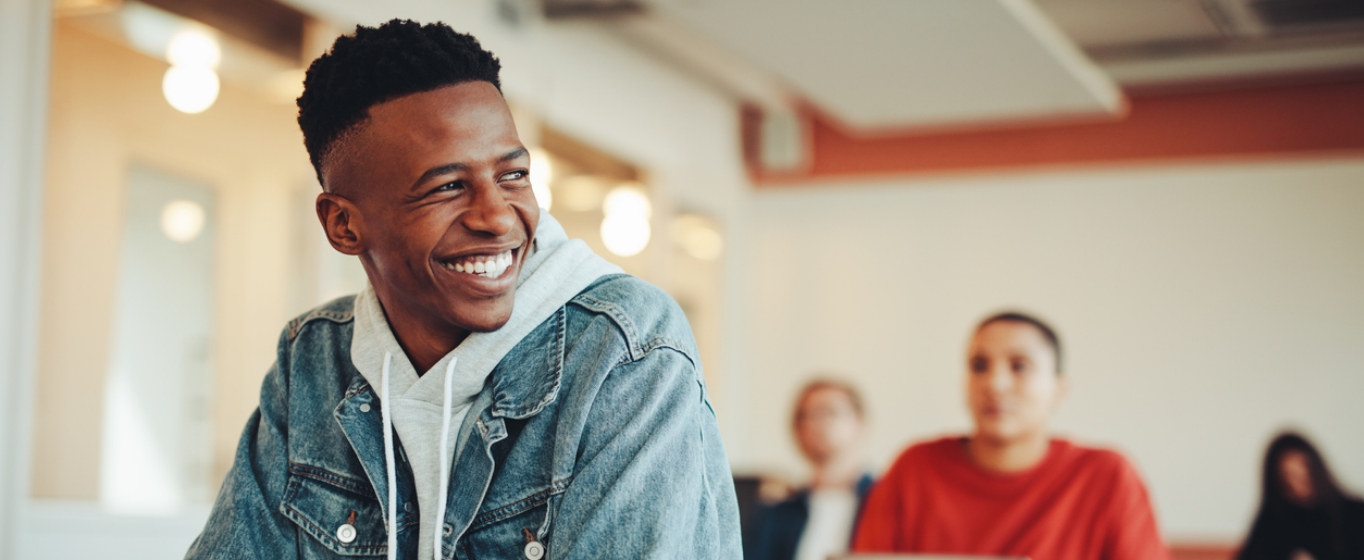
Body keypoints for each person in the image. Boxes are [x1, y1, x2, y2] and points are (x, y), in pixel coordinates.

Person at [185, 20, 741, 560]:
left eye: (512, 175)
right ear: (343, 226)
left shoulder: (625, 347)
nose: (498, 218)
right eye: (448, 187)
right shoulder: (313, 358)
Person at [853, 311, 1171, 560]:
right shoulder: (914, 468)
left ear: (1058, 390)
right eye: (979, 365)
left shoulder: (1106, 477)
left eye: (1020, 366)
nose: (995, 384)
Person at [750, 379, 874, 560]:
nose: (815, 422)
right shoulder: (778, 511)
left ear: (860, 422)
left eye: (828, 412)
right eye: (805, 415)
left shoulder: (885, 502)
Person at [1238, 432, 1364, 560]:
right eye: (1291, 477)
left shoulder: (1355, 513)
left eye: (1304, 472)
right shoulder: (1271, 522)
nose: (1302, 483)